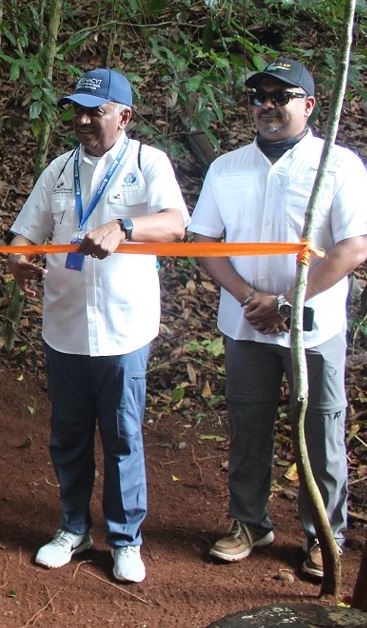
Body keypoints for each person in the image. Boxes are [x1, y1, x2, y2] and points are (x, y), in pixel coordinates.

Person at [6, 68, 188, 583]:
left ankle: (126, 537)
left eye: (97, 111)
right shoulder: (59, 170)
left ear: (124, 116)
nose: (83, 120)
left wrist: (125, 226)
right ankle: (72, 527)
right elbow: (25, 233)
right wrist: (18, 260)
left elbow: (175, 224)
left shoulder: (147, 162)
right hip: (64, 325)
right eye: (78, 110)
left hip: (123, 328)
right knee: (67, 435)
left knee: (122, 434)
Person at [189, 57, 367, 579]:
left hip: (314, 326)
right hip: (245, 324)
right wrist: (249, 296)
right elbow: (202, 242)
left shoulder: (339, 164)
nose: (266, 106)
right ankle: (249, 522)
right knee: (249, 427)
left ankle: (323, 534)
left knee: (321, 430)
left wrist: (288, 300)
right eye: (258, 97)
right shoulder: (228, 167)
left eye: (280, 96)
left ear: (309, 105)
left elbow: (354, 246)